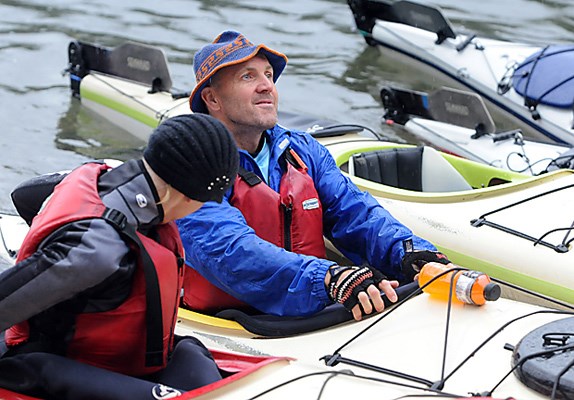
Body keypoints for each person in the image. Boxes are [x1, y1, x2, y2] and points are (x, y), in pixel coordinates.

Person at [177, 31, 453, 321]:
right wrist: (328, 278)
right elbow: (229, 251)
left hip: (312, 311)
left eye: (269, 75)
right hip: (229, 322)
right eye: (248, 77)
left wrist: (410, 253)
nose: (266, 87)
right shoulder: (190, 166)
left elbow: (356, 214)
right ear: (212, 99)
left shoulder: (302, 150)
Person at [0, 114, 239, 400]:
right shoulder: (99, 249)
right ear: (186, 197)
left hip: (124, 361)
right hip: (47, 363)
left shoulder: (114, 175)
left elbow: (26, 194)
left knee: (192, 352)